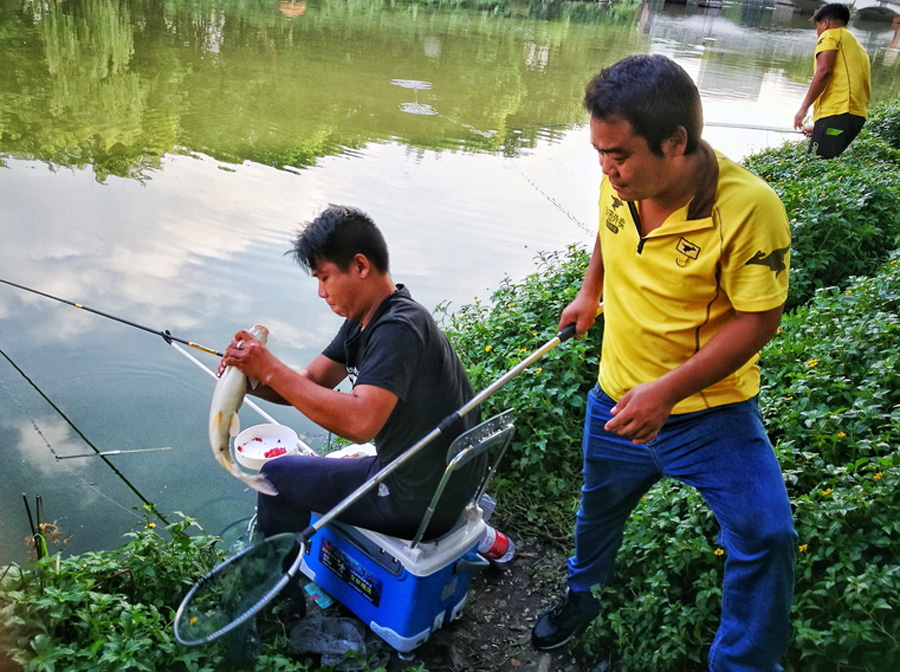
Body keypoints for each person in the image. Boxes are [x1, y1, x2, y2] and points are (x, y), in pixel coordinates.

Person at [530, 55, 796, 672]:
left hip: (709, 414)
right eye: (598, 151)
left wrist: (667, 393)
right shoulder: (621, 183)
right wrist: (589, 290)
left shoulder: (751, 208)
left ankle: (743, 664)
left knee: (767, 535)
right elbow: (609, 223)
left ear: (675, 142)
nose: (606, 168)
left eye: (618, 153)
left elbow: (760, 319)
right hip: (616, 400)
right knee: (598, 508)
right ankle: (581, 597)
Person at [219, 204, 483, 545]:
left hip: (418, 501)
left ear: (360, 265)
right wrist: (248, 379)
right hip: (441, 483)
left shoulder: (398, 328)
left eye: (324, 277)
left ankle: (277, 587)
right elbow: (311, 381)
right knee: (296, 469)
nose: (321, 292)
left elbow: (360, 424)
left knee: (276, 476)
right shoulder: (370, 320)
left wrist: (269, 368)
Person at [793, 3, 871, 158]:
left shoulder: (830, 35)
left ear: (825, 23)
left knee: (817, 164)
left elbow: (824, 72)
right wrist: (820, 128)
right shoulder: (855, 44)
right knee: (825, 160)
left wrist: (803, 108)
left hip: (838, 115)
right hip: (853, 115)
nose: (818, 32)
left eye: (817, 27)